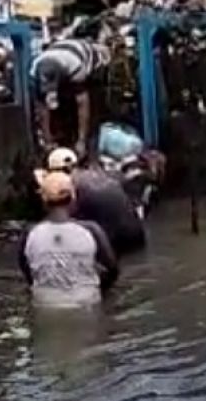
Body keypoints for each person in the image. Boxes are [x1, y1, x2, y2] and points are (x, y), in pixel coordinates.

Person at [20, 170, 119, 309]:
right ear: (73, 198)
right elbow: (113, 270)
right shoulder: (91, 230)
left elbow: (27, 271)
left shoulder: (30, 233)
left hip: (44, 305)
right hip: (87, 303)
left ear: (44, 201)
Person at [46, 148, 148, 256]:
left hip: (114, 243)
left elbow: (65, 220)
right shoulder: (100, 173)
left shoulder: (69, 186)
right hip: (137, 235)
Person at [31, 31, 112, 159]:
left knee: (92, 110)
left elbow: (82, 104)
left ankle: (90, 154)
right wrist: (47, 140)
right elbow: (42, 108)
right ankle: (63, 143)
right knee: (60, 110)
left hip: (91, 64)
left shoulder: (75, 67)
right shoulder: (35, 69)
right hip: (62, 62)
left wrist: (81, 141)